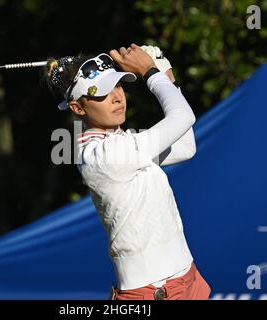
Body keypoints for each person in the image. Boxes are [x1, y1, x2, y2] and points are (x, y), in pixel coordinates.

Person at [42, 43, 211, 300]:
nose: (117, 97)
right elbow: (183, 117)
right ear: (78, 108)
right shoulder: (102, 155)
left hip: (187, 278)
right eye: (102, 93)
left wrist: (165, 73)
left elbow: (186, 147)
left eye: (118, 85)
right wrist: (151, 72)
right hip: (155, 292)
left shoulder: (127, 142)